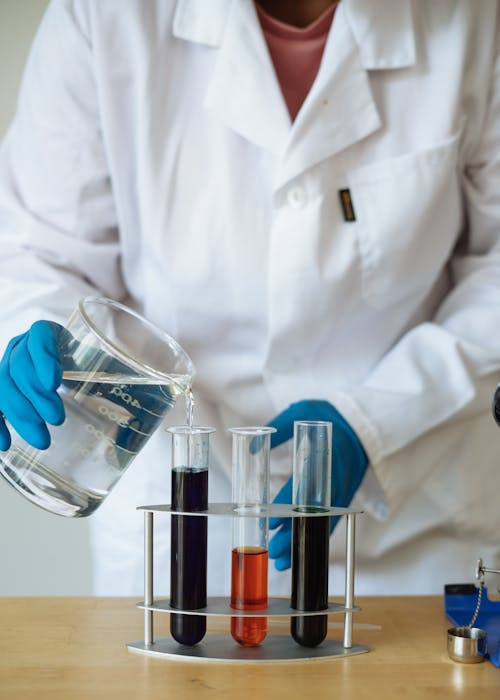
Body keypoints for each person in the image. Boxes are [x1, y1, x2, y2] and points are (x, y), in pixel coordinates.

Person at [0, 0, 499, 597]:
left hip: (410, 529)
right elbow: (40, 250)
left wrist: (378, 421)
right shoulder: (102, 16)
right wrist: (40, 333)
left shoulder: (474, 21)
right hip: (179, 519)